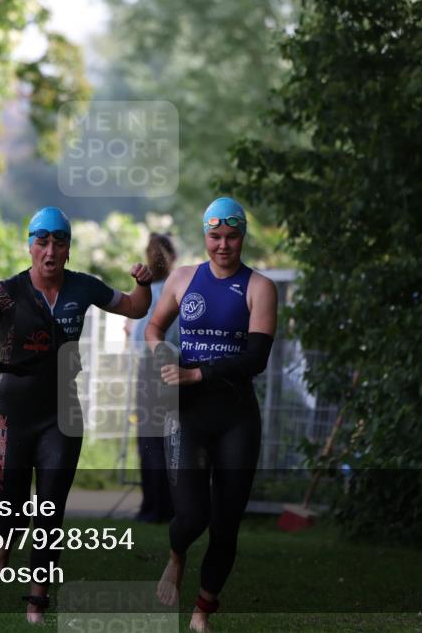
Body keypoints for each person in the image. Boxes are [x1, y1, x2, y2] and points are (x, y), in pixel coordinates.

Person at [0, 207, 153, 624]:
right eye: (41, 241)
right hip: (10, 412)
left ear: (67, 250)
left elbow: (136, 308)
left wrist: (144, 285)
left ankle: (36, 600)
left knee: (50, 508)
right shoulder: (7, 292)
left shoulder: (84, 288)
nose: (49, 250)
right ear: (30, 246)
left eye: (58, 242)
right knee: (12, 501)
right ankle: (5, 532)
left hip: (62, 412)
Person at [144, 197, 277, 633]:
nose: (223, 245)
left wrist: (196, 372)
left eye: (232, 236)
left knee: (225, 522)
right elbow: (154, 326)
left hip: (237, 416)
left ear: (243, 237)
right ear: (205, 236)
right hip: (189, 416)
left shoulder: (260, 287)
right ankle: (177, 555)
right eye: (215, 236)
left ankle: (204, 606)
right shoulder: (183, 280)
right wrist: (160, 355)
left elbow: (256, 357)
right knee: (191, 516)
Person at [126, 234, 179, 523]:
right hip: (176, 368)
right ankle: (171, 506)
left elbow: (138, 339)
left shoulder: (148, 292)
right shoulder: (179, 289)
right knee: (173, 439)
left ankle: (152, 508)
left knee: (149, 440)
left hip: (150, 369)